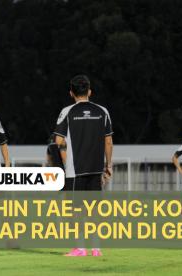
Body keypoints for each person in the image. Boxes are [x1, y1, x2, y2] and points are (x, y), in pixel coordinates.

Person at [54, 75, 113, 257]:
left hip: (75, 170)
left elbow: (58, 140)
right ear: (89, 91)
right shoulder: (103, 111)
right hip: (96, 169)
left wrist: (65, 162)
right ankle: (96, 248)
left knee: (77, 212)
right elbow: (108, 141)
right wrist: (108, 165)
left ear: (71, 93)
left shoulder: (67, 111)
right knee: (94, 211)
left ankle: (80, 248)